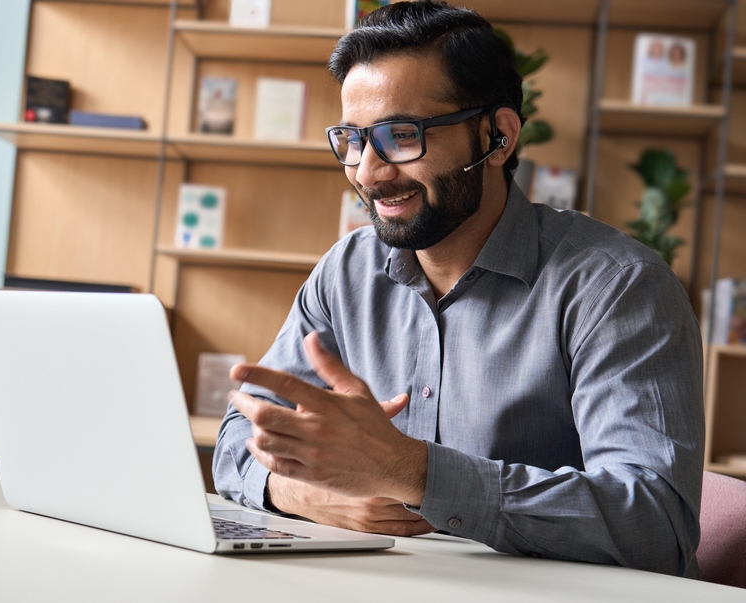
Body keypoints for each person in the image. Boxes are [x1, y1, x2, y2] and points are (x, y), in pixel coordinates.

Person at [213, 0, 704, 578]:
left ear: (498, 137)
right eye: (353, 139)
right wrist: (306, 494)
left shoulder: (617, 287)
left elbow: (655, 524)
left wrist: (413, 472)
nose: (368, 172)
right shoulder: (347, 273)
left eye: (402, 135)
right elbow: (236, 440)